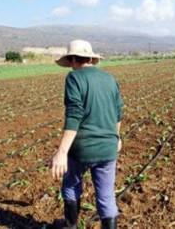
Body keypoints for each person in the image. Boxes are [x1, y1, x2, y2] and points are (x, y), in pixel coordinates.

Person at [51, 40, 124, 229]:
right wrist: (116, 137)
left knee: (70, 186)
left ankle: (71, 226)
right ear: (91, 58)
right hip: (108, 147)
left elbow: (74, 114)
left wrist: (62, 152)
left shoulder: (74, 78)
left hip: (82, 147)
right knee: (106, 196)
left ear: (73, 59)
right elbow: (118, 112)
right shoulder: (110, 79)